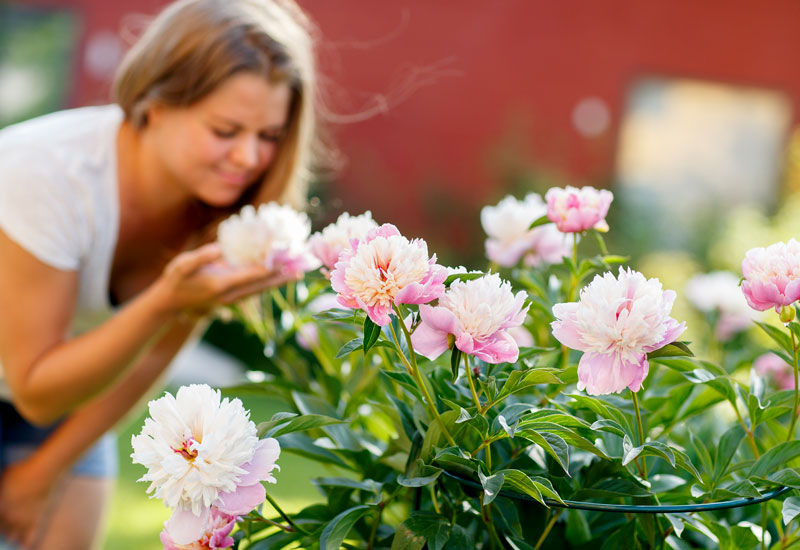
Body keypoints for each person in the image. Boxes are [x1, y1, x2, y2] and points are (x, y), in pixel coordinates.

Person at [0, 0, 320, 547]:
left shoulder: (222, 207)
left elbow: (148, 351)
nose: (248, 158)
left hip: (68, 389)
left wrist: (43, 471)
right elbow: (35, 389)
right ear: (154, 104)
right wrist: (164, 301)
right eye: (225, 130)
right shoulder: (43, 177)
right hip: (39, 381)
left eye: (268, 136)